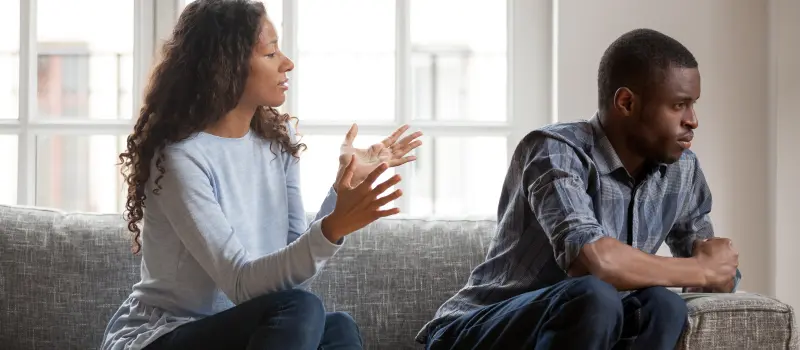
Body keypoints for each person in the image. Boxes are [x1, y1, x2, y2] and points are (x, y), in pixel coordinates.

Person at [101, 1, 422, 349]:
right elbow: (240, 284)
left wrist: (343, 188)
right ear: (227, 65)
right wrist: (332, 229)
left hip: (244, 335)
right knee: (300, 310)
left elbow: (293, 281)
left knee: (338, 328)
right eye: (270, 54)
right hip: (163, 336)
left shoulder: (278, 143)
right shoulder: (182, 158)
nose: (287, 63)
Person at [417, 28, 741, 350]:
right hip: (471, 333)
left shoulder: (682, 169)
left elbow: (717, 274)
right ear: (626, 102)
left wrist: (718, 270)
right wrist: (701, 269)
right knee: (594, 295)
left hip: (587, 330)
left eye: (693, 105)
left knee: (663, 306)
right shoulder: (555, 150)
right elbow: (594, 262)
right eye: (678, 105)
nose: (693, 120)